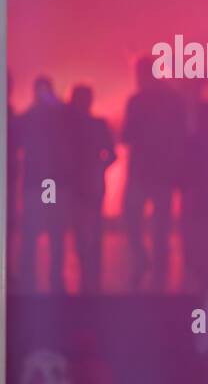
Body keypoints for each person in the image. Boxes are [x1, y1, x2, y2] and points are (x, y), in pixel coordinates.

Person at [122, 56, 187, 290]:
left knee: (132, 218)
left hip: (142, 171)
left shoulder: (137, 101)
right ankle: (159, 267)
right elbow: (182, 136)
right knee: (161, 223)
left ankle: (145, 260)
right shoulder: (173, 101)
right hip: (163, 172)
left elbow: (127, 135)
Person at [14, 75, 71, 291]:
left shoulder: (43, 116)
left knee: (43, 229)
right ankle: (47, 275)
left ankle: (37, 274)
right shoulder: (41, 117)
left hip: (41, 182)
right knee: (43, 229)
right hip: (46, 182)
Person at [63, 84, 116, 293]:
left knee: (83, 231)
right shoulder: (98, 125)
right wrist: (99, 167)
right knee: (92, 231)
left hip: (79, 184)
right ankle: (91, 276)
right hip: (91, 184)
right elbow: (112, 154)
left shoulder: (69, 126)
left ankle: (88, 273)